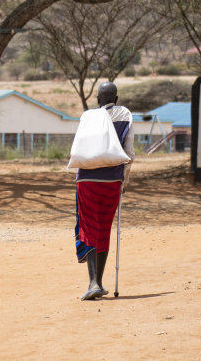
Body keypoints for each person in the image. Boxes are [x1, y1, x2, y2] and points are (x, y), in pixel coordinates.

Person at [74, 81, 134, 301]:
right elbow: (129, 153)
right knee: (104, 229)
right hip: (111, 181)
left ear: (98, 100)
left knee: (89, 228)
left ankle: (94, 284)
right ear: (115, 99)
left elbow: (79, 148)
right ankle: (98, 281)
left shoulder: (88, 116)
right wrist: (123, 181)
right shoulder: (125, 115)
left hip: (86, 180)